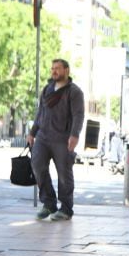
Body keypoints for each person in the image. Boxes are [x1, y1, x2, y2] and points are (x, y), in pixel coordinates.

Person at [28, 58, 84, 221]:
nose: (54, 71)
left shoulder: (74, 92)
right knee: (37, 166)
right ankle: (49, 203)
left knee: (64, 175)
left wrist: (74, 135)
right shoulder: (47, 89)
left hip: (63, 139)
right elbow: (40, 113)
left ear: (66, 70)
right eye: (52, 68)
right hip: (43, 138)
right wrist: (32, 132)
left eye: (57, 68)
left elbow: (78, 115)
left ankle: (66, 209)